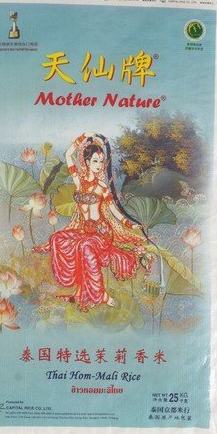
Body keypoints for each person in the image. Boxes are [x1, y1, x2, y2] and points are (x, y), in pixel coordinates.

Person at [34, 132, 148, 311]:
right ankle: (80, 292)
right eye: (95, 161)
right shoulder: (79, 182)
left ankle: (100, 295)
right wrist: (83, 137)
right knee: (57, 239)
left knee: (84, 246)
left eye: (101, 161)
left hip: (101, 234)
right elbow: (68, 155)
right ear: (86, 162)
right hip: (83, 231)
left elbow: (114, 211)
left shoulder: (102, 187)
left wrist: (129, 224)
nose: (99, 165)